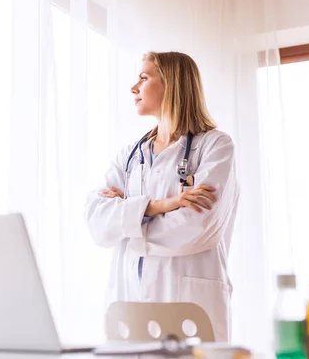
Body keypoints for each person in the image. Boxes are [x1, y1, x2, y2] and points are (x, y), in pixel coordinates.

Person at [84, 51, 239, 342]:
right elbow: (97, 224)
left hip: (190, 308)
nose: (134, 88)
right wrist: (158, 207)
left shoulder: (215, 147)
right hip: (129, 306)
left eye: (143, 78)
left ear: (173, 83)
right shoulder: (130, 155)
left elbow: (197, 228)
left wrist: (127, 221)